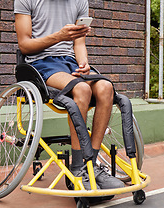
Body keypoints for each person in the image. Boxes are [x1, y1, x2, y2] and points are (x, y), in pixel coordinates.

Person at [14, 0, 124, 190]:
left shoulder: (80, 2)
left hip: (69, 62)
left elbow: (79, 44)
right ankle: (78, 168)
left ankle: (92, 164)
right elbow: (25, 45)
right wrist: (58, 36)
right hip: (40, 63)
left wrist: (83, 64)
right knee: (81, 89)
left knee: (106, 88)